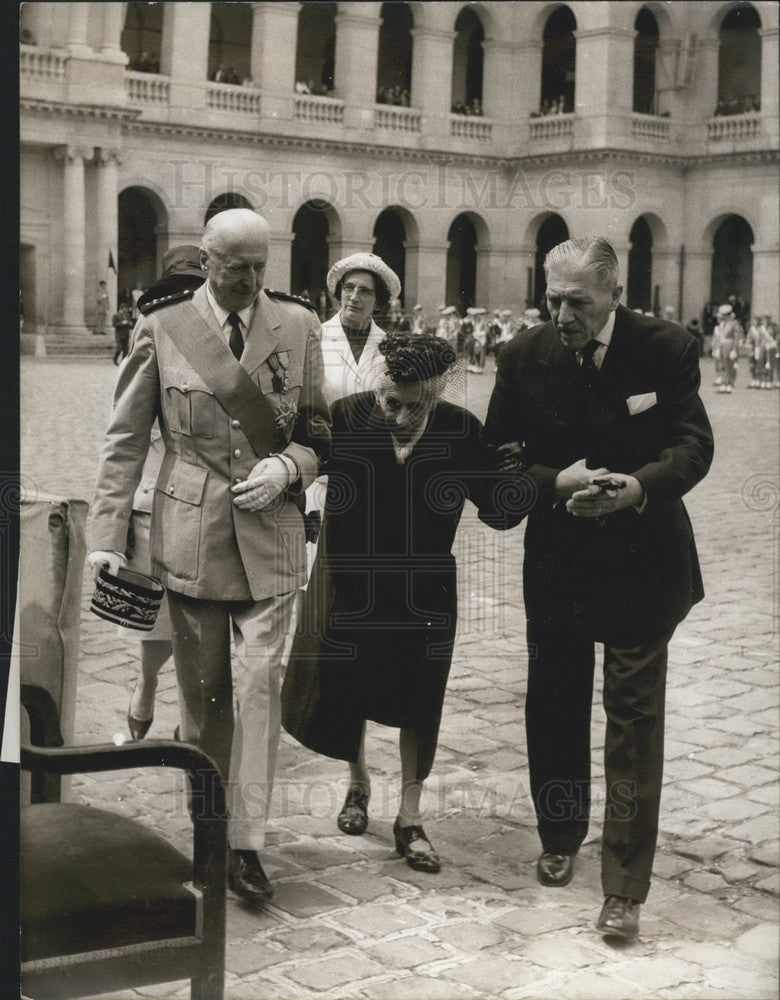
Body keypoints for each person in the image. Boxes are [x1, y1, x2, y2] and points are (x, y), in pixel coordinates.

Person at [86, 208, 331, 906]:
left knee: (259, 687)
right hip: (191, 536)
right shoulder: (162, 328)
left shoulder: (300, 326)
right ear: (206, 257)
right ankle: (208, 827)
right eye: (236, 266)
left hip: (273, 529)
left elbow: (319, 428)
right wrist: (106, 539)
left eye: (261, 266)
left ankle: (246, 845)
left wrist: (289, 468)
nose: (251, 280)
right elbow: (124, 440)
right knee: (205, 700)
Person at [484, 236, 713, 939]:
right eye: (551, 298)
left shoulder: (667, 348)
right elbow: (495, 476)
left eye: (577, 302)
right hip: (557, 564)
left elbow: (692, 443)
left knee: (634, 720)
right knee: (554, 700)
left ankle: (623, 887)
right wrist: (555, 482)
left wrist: (638, 487)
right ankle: (559, 836)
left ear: (615, 294)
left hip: (645, 563)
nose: (561, 314)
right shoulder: (522, 358)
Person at [282, 333, 520, 873]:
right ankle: (357, 783)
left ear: (437, 396)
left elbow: (500, 510)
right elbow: (300, 470)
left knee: (420, 698)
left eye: (418, 405)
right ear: (379, 385)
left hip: (423, 587)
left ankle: (410, 817)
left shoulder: (461, 430)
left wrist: (518, 468)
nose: (402, 415)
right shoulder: (345, 416)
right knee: (346, 688)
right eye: (393, 401)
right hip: (349, 579)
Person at [123, 245, 209, 738]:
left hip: (212, 503)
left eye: (193, 294)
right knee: (156, 616)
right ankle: (147, 683)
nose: (184, 304)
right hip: (156, 498)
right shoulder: (149, 339)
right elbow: (125, 436)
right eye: (175, 294)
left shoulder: (229, 347)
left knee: (201, 618)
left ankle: (194, 720)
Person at [712, 303, 742, 393]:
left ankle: (728, 384)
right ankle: (723, 383)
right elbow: (718, 338)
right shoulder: (721, 324)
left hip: (729, 346)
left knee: (729, 366)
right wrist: (717, 348)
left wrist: (734, 350)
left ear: (728, 315)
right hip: (722, 347)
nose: (722, 317)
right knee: (722, 365)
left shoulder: (734, 324)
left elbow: (736, 337)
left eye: (724, 315)